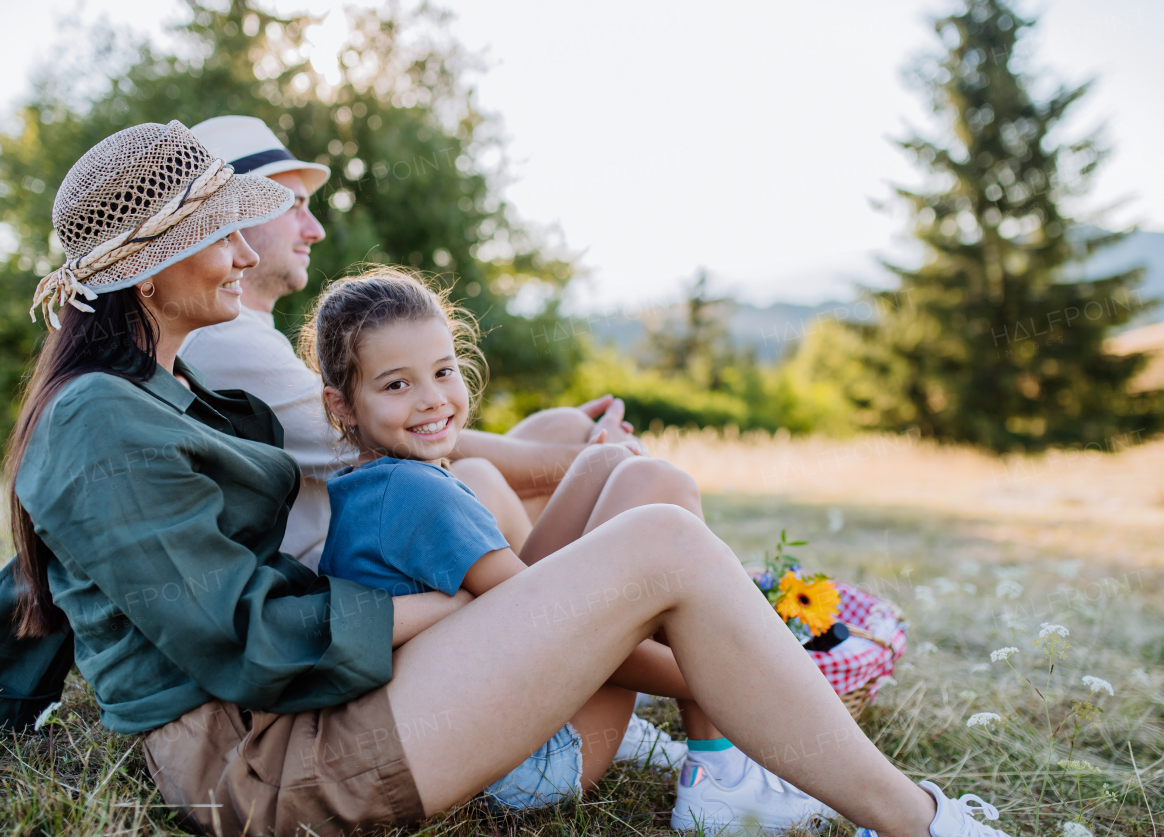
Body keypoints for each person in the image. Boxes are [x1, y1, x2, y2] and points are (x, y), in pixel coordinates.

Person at [0, 123, 1012, 837]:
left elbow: (40, 576)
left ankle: (811, 776)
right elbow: (241, 637)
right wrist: (479, 606)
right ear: (151, 263)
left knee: (645, 509)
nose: (244, 255)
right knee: (659, 551)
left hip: (313, 714)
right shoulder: (98, 420)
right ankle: (921, 826)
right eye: (218, 234)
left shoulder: (158, 395)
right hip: (263, 767)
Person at [179, 115, 685, 770]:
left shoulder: (248, 338)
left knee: (560, 445)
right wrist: (592, 458)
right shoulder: (232, 344)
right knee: (596, 484)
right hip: (381, 586)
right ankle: (671, 712)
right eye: (294, 206)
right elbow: (421, 453)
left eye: (445, 371)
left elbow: (408, 434)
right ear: (232, 216)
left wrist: (580, 448)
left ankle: (628, 683)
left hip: (386, 558)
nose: (316, 228)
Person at [306, 266, 832, 824]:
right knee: (662, 487)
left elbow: (526, 615)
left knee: (608, 461)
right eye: (397, 384)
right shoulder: (416, 494)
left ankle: (712, 755)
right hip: (522, 764)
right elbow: (562, 632)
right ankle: (719, 772)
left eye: (443, 371)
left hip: (473, 718)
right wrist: (728, 663)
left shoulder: (364, 486)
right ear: (341, 406)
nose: (433, 399)